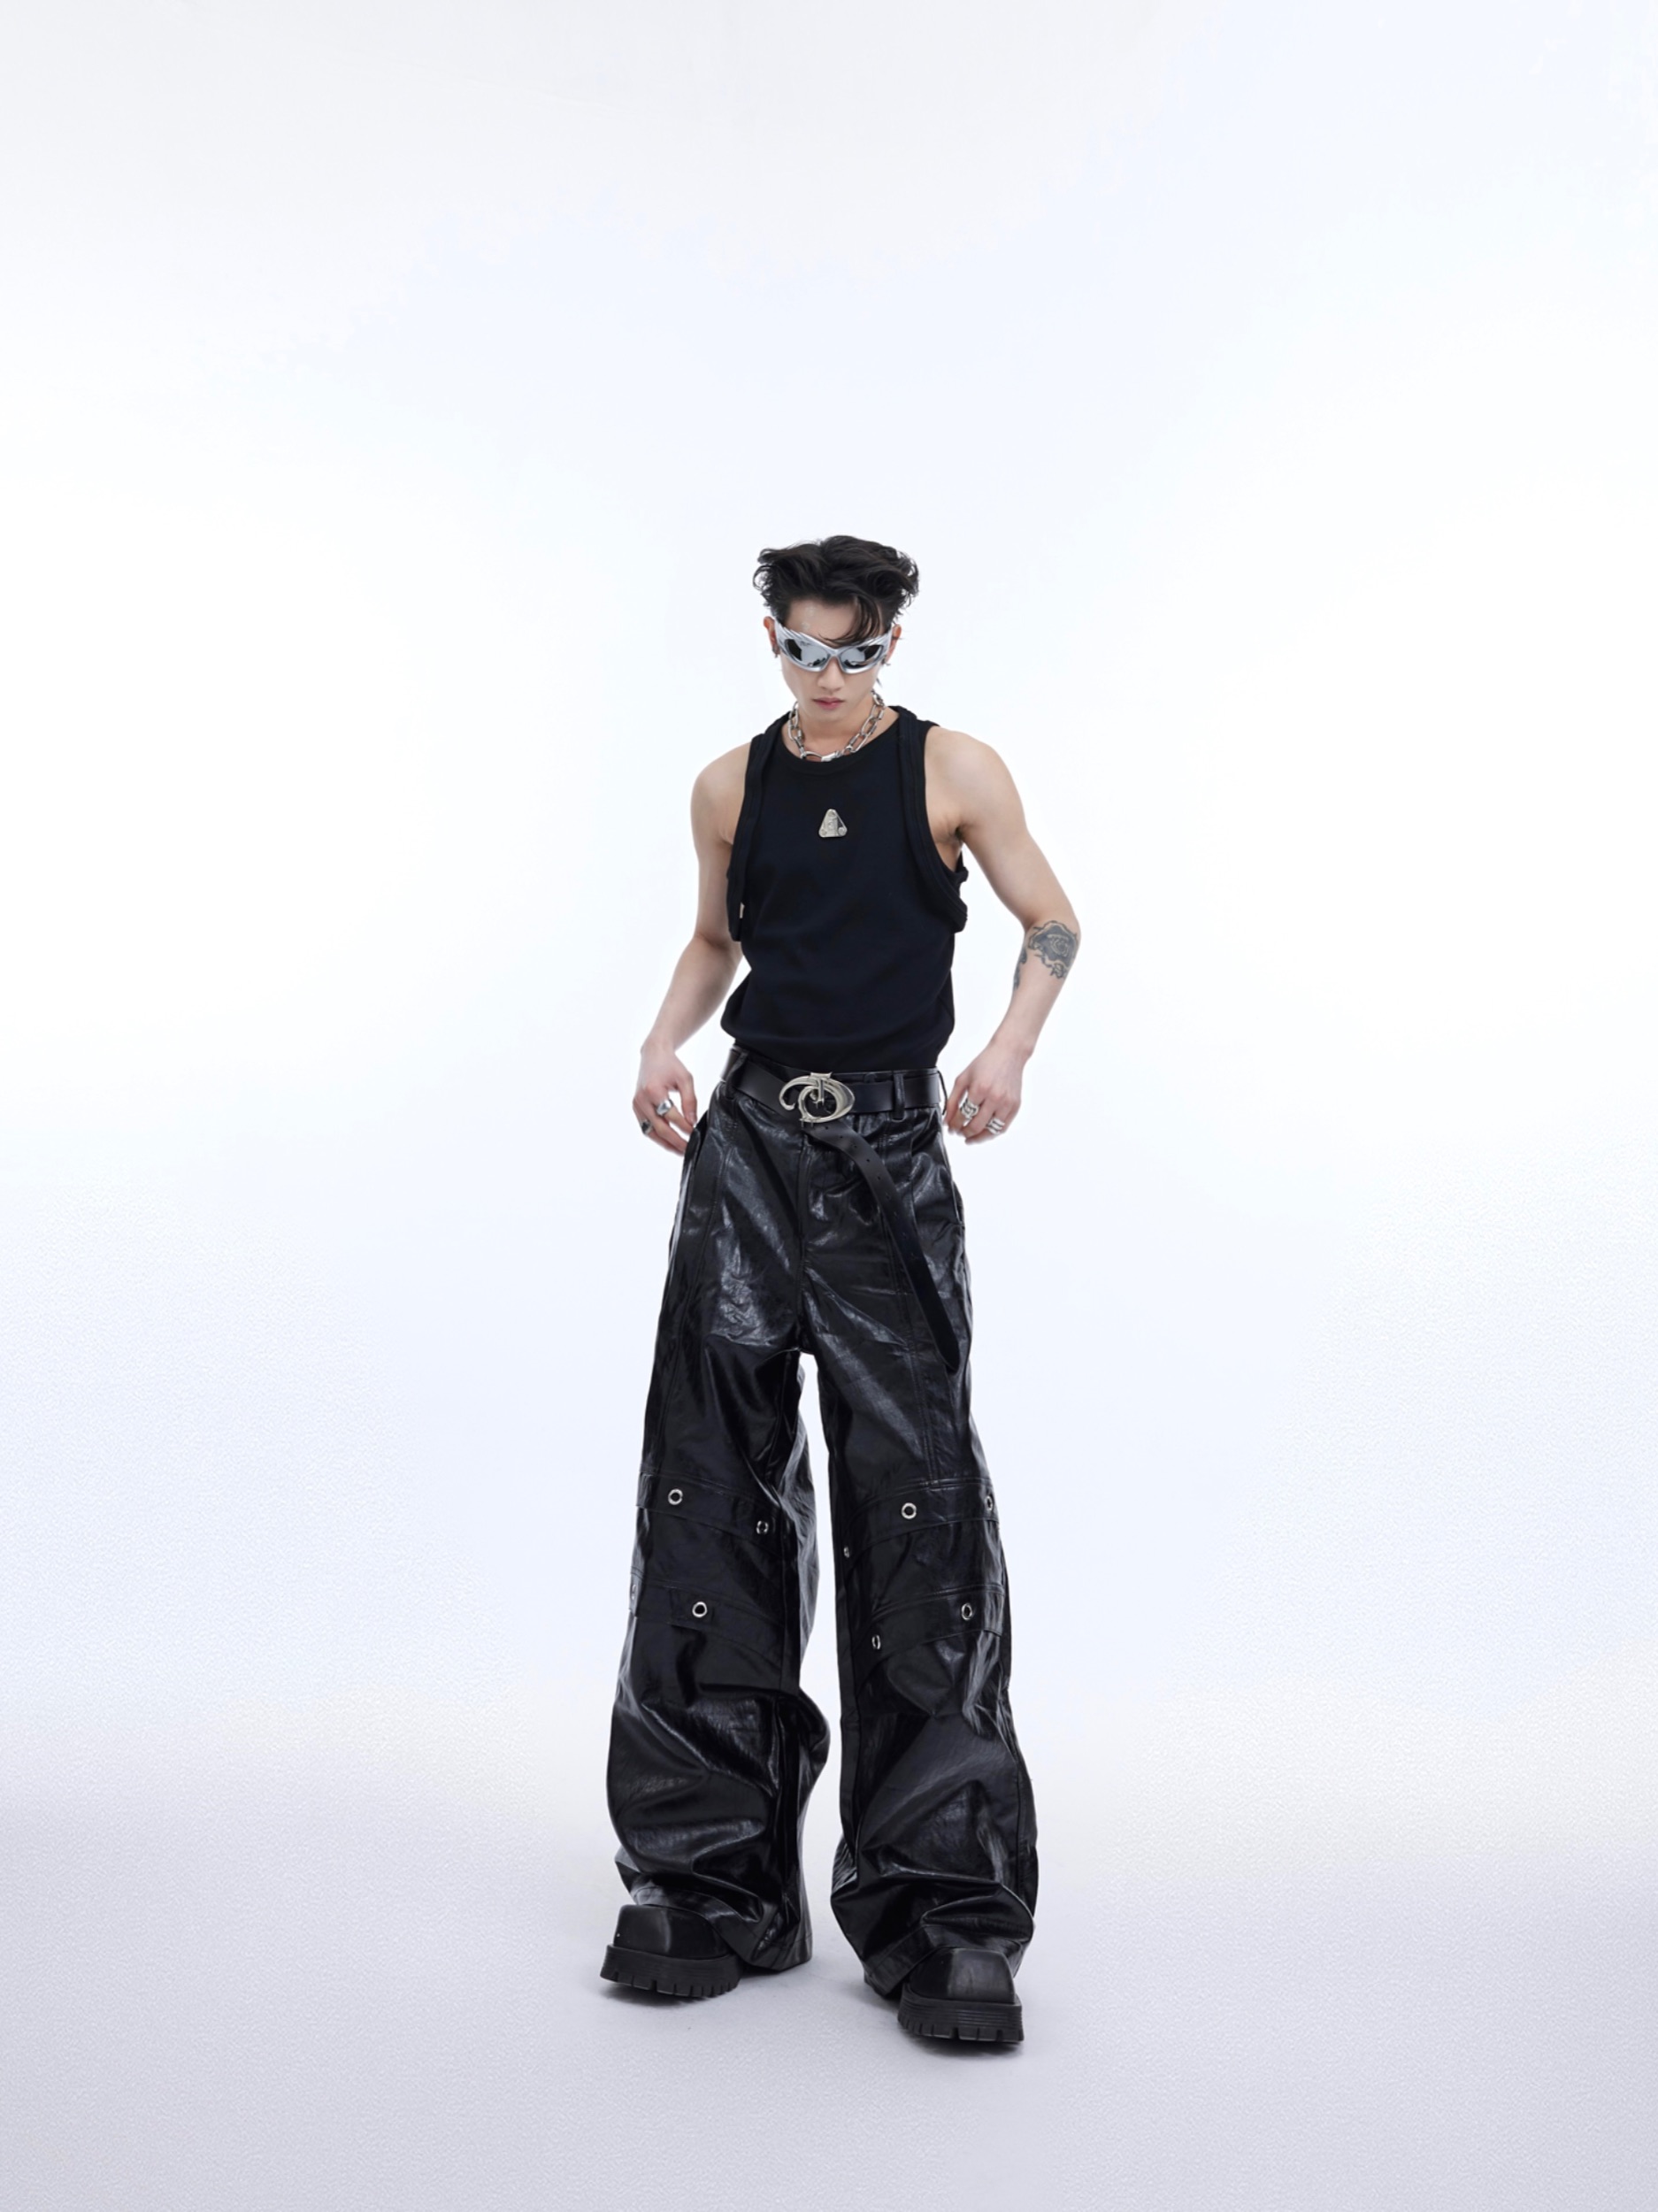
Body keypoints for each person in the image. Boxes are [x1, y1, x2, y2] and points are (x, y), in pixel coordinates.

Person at [601, 534, 1080, 2046]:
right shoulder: (726, 785)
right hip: (747, 1143)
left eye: (854, 655)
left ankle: (941, 1908)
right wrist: (659, 1045)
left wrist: (1006, 1049)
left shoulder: (952, 769)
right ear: (772, 642)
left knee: (916, 1505)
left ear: (888, 647)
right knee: (707, 1489)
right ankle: (707, 1882)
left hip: (886, 1151)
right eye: (806, 652)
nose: (829, 678)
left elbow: (1052, 921)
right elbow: (714, 939)